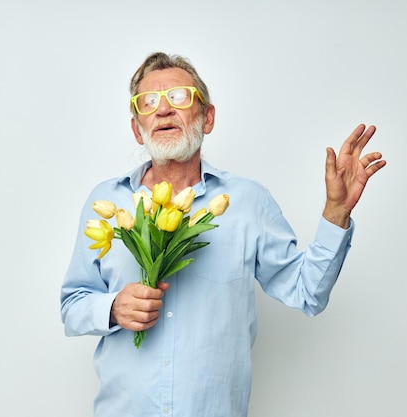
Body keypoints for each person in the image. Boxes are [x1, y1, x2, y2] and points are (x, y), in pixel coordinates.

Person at [60, 52, 386, 417]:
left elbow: (308, 292)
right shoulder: (106, 201)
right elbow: (72, 305)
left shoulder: (248, 202)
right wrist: (112, 308)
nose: (164, 110)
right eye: (149, 102)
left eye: (179, 97)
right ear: (138, 128)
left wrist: (336, 212)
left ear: (208, 117)